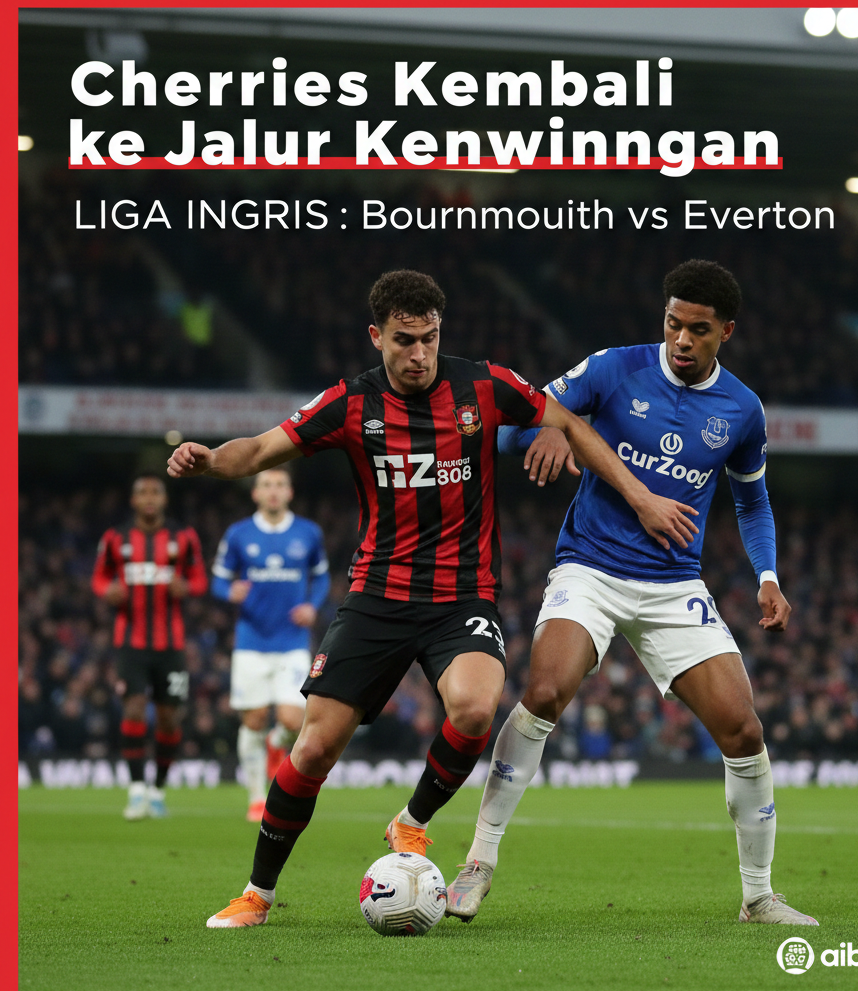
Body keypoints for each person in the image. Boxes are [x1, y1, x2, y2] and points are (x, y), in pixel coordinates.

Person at [166, 269, 695, 928]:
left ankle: (411, 822)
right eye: (404, 340)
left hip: (460, 596)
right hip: (377, 597)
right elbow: (262, 448)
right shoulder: (350, 403)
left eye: (430, 339)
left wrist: (628, 488)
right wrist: (211, 460)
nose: (419, 355)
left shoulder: (484, 385)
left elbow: (571, 424)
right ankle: (258, 894)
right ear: (377, 337)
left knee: (475, 707)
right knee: (311, 750)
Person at [447, 259, 819, 927]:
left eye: (698, 330)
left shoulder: (742, 409)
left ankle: (759, 896)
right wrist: (554, 427)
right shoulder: (614, 367)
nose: (681, 339)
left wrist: (767, 576)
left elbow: (753, 501)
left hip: (674, 584)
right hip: (588, 568)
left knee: (743, 728)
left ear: (725, 332)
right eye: (673, 322)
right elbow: (513, 424)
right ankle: (478, 862)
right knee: (544, 693)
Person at [211, 468, 330, 821]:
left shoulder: (308, 533)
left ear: (289, 492)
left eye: (279, 485)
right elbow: (218, 578)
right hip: (251, 640)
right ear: (256, 494)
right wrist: (228, 591)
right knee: (254, 719)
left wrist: (312, 605)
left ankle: (276, 744)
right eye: (266, 485)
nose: (273, 491)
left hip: (292, 640)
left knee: (293, 719)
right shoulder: (238, 534)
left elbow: (321, 576)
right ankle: (254, 797)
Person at [91, 473, 207, 819]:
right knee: (134, 709)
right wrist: (106, 590)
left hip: (171, 645)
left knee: (170, 719)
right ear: (133, 500)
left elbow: (200, 579)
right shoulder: (116, 538)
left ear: (164, 498)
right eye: (142, 492)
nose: (149, 497)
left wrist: (185, 586)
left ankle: (158, 788)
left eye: (156, 491)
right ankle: (137, 790)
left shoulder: (183, 537)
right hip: (130, 643)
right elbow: (98, 577)